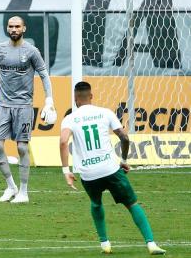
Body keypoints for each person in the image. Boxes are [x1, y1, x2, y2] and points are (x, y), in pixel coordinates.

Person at [59, 81, 165, 255]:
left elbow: (63, 142)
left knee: (96, 202)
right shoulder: (105, 113)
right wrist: (123, 160)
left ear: (75, 98)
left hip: (88, 173)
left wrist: (66, 171)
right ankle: (151, 244)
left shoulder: (70, 118)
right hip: (110, 169)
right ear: (91, 96)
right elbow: (124, 137)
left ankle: (105, 243)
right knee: (132, 203)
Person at [0, 16, 57, 203]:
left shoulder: (31, 51)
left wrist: (49, 100)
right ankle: (11, 186)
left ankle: (23, 192)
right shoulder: (0, 49)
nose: (14, 29)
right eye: (11, 26)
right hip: (2, 104)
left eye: (17, 26)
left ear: (24, 29)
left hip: (23, 106)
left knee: (22, 148)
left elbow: (44, 75)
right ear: (7, 28)